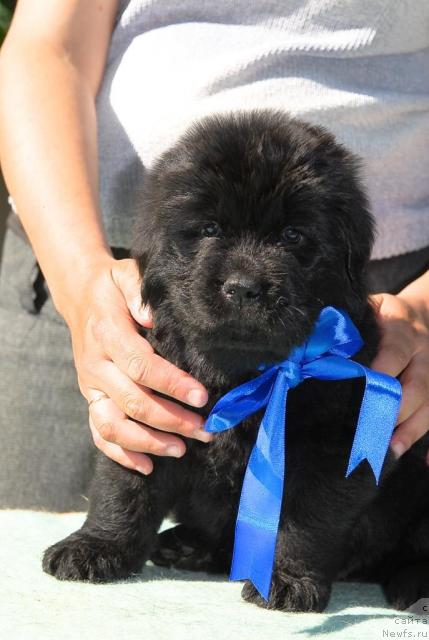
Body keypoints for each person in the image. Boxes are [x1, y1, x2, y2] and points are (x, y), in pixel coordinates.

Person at [0, 0, 428, 511]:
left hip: (362, 299)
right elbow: (50, 45)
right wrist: (79, 281)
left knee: (338, 548)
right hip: (88, 265)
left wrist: (425, 310)